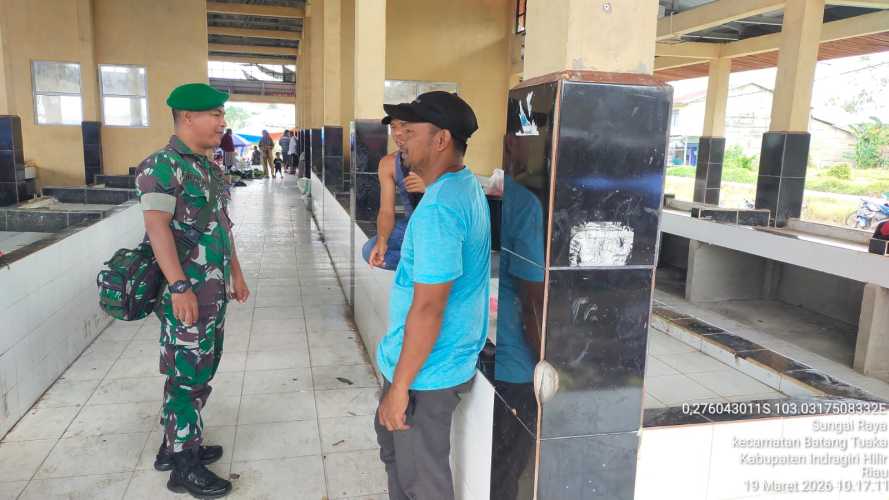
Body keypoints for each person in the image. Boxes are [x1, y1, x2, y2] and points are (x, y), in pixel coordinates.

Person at [135, 83, 250, 498]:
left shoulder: (208, 167)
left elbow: (222, 225)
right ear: (187, 118)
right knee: (188, 374)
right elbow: (156, 228)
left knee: (197, 366)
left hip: (212, 291)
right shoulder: (160, 167)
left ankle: (176, 442)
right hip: (187, 294)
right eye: (215, 115)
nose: (223, 123)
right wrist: (179, 285)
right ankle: (184, 465)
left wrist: (236, 273)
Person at [374, 91, 490, 500]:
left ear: (441, 140)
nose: (400, 139)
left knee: (422, 483)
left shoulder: (440, 208)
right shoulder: (463, 185)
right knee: (403, 470)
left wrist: (400, 387)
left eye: (411, 131)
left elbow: (428, 307)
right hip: (427, 363)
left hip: (426, 372)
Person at [362, 117, 426, 271]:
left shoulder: (437, 158)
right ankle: (423, 263)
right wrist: (382, 241)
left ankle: (427, 264)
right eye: (393, 127)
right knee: (370, 249)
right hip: (412, 224)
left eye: (404, 125)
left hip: (440, 224)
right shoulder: (389, 163)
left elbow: (455, 200)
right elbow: (386, 211)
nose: (397, 133)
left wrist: (429, 189)